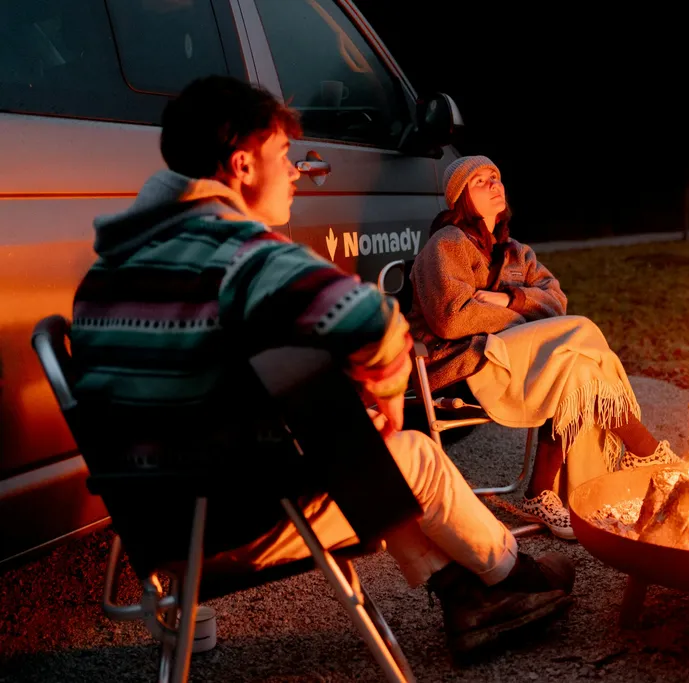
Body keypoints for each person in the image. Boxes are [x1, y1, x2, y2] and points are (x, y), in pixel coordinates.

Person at [68, 76, 574, 656]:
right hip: (234, 529)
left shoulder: (101, 277)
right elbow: (377, 325)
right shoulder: (240, 255)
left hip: (153, 525)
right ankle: (514, 577)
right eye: (283, 156)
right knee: (412, 455)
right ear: (242, 165)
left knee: (338, 433)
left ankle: (463, 594)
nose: (295, 171)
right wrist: (386, 406)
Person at [407, 156, 684, 541]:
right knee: (581, 333)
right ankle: (649, 452)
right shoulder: (448, 244)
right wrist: (524, 320)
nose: (493, 185)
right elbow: (452, 318)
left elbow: (556, 301)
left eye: (495, 177)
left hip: (515, 357)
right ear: (461, 199)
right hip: (465, 363)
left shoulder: (518, 252)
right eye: (480, 182)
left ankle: (541, 494)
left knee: (580, 370)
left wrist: (507, 300)